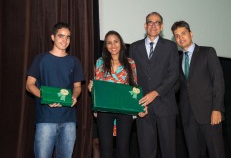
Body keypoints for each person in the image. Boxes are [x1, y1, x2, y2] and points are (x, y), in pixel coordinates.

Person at [26, 22, 85, 158]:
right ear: (52, 37)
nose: (65, 40)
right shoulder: (40, 59)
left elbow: (77, 87)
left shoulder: (74, 61)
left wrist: (74, 96)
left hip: (69, 120)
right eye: (61, 36)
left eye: (68, 37)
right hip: (46, 119)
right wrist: (46, 97)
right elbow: (29, 85)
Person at [88, 30, 147, 158]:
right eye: (109, 43)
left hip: (124, 110)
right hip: (105, 110)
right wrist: (92, 88)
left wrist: (140, 107)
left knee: (123, 148)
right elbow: (97, 85)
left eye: (116, 41)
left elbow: (134, 87)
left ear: (121, 43)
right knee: (106, 148)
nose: (113, 45)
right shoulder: (100, 62)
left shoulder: (130, 63)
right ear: (106, 46)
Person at [171, 20, 226, 158]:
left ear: (191, 33)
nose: (180, 37)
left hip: (209, 113)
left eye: (183, 33)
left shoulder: (208, 52)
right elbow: (177, 86)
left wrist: (217, 108)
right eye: (177, 36)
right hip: (188, 116)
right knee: (194, 154)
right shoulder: (177, 61)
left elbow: (218, 81)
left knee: (216, 153)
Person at [129, 12, 180, 158]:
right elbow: (132, 77)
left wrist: (156, 93)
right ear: (145, 26)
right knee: (146, 151)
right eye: (150, 22)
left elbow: (173, 74)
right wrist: (137, 103)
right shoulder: (134, 47)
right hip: (143, 106)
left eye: (157, 22)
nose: (153, 25)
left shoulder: (170, 46)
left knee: (168, 151)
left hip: (166, 105)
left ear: (162, 26)